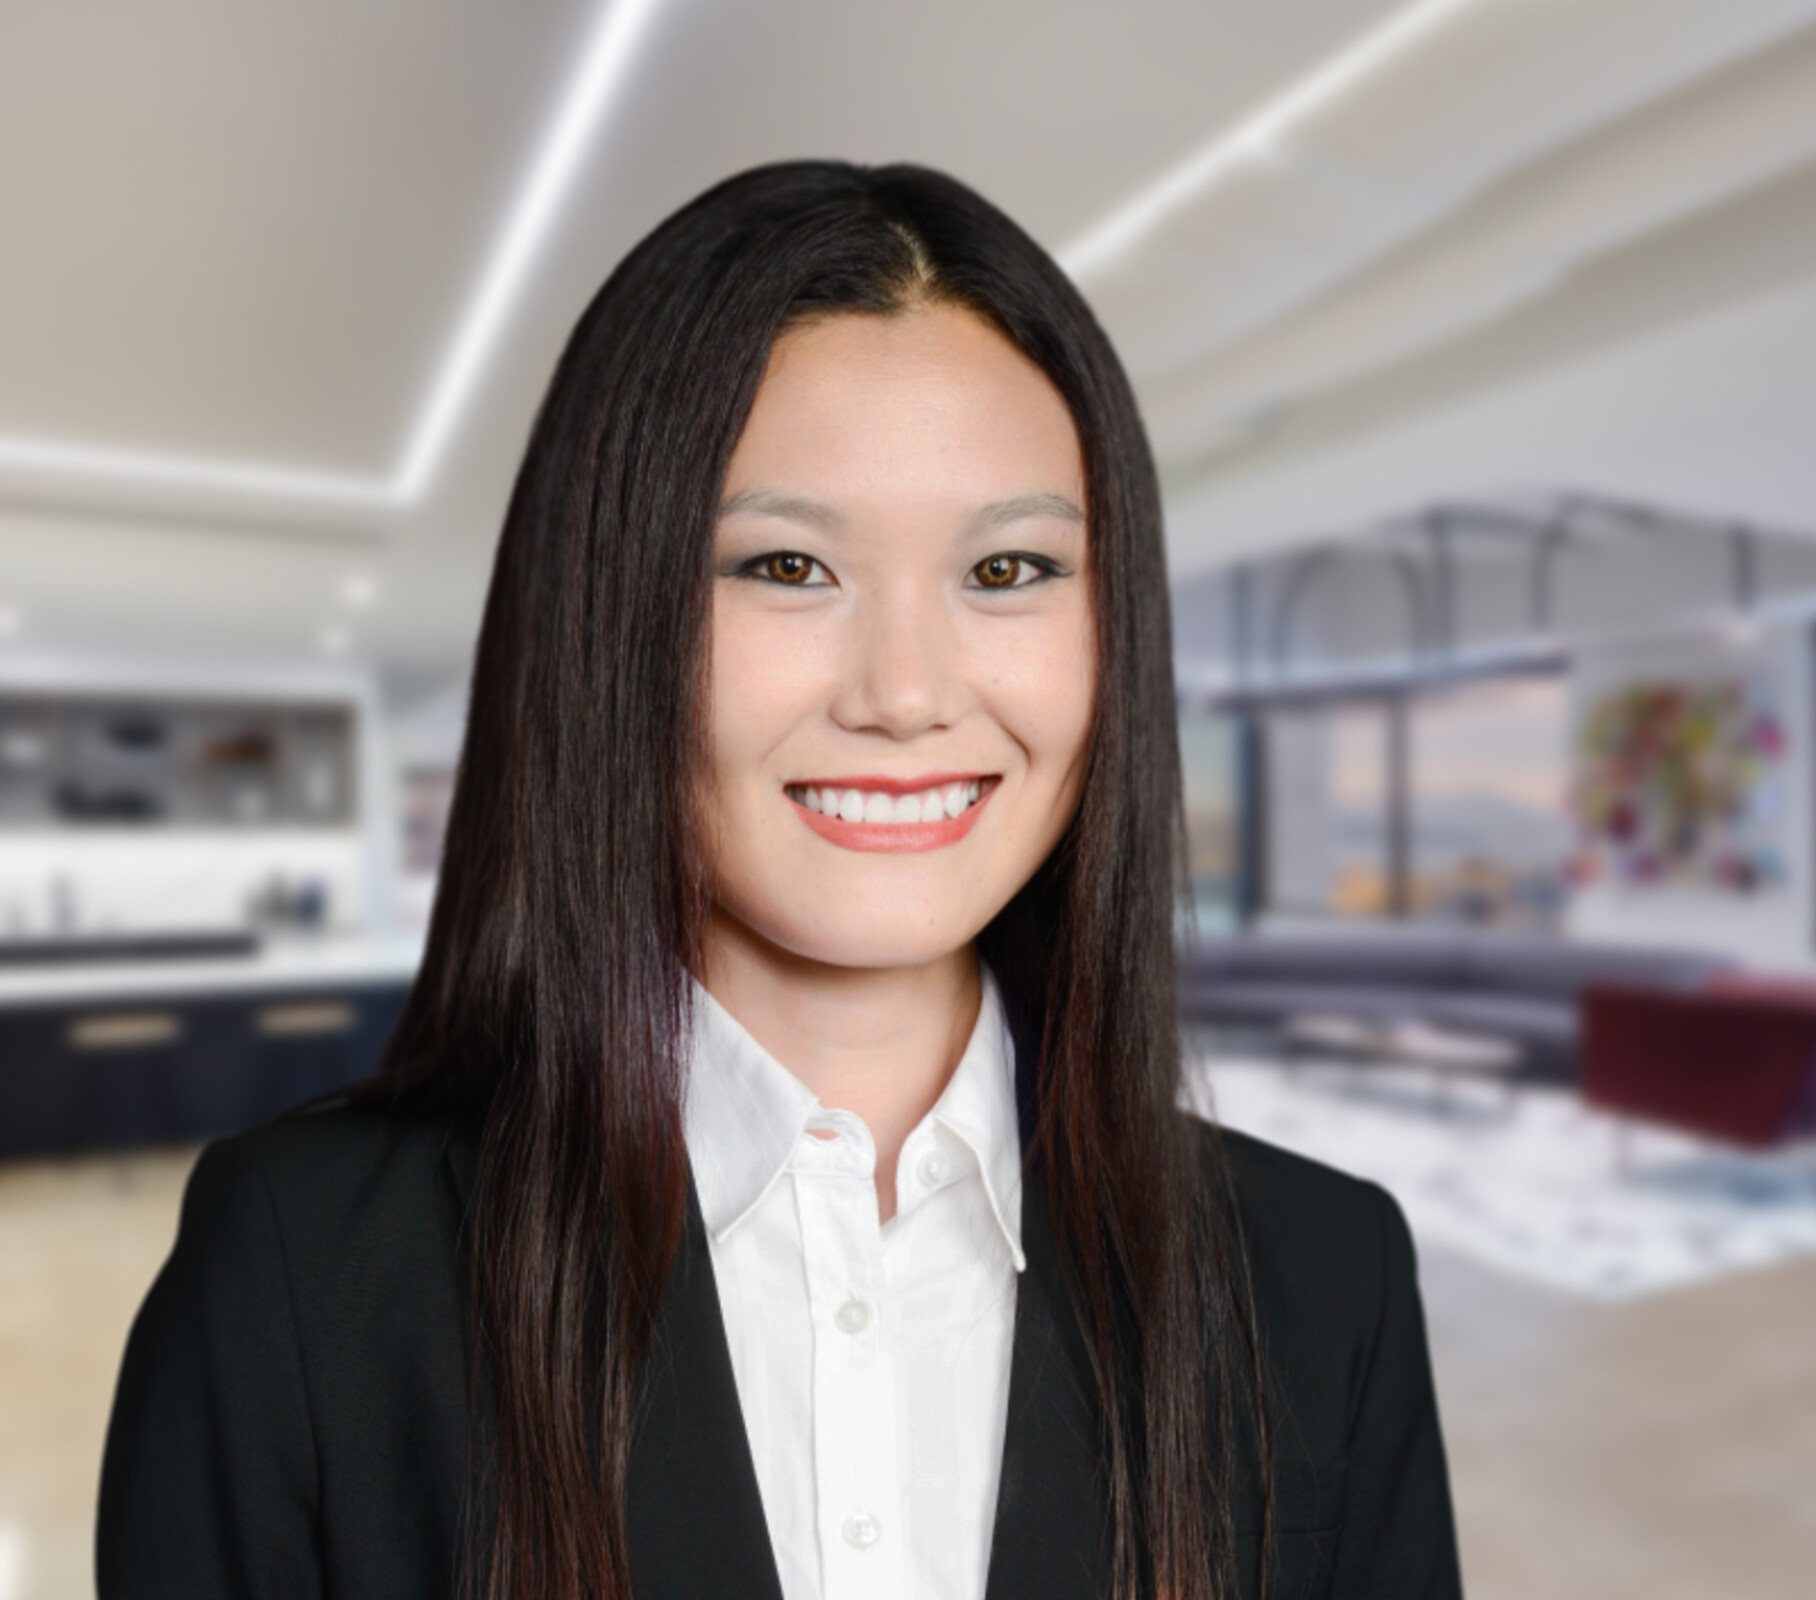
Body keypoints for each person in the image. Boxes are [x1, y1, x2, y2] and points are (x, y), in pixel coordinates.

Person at [97, 161, 1462, 1600]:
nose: (907, 694)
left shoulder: (1322, 1281)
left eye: (1008, 570)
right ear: (607, 615)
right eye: (789, 566)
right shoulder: (307, 1278)